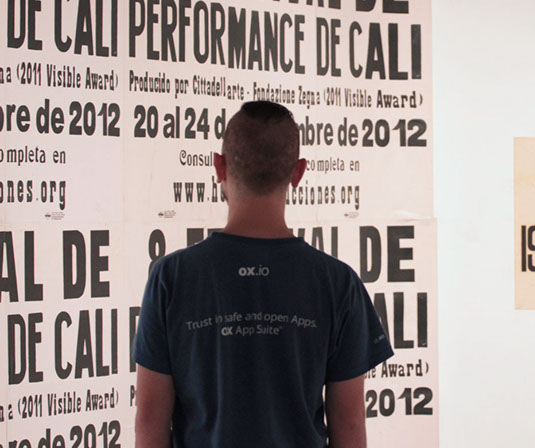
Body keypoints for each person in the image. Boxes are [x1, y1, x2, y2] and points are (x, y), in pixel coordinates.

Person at [133, 101, 393, 447]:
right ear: (299, 173)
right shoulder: (338, 284)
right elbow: (349, 426)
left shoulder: (171, 278)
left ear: (219, 166)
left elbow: (149, 423)